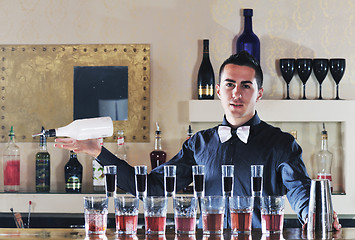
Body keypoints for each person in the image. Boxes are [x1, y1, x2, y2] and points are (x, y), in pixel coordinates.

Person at [55, 51, 341, 230]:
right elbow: (152, 187)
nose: (236, 94)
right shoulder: (199, 144)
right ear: (218, 90)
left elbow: (300, 191)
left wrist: (314, 213)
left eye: (246, 86)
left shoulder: (280, 144)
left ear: (259, 93)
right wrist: (99, 152)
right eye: (229, 84)